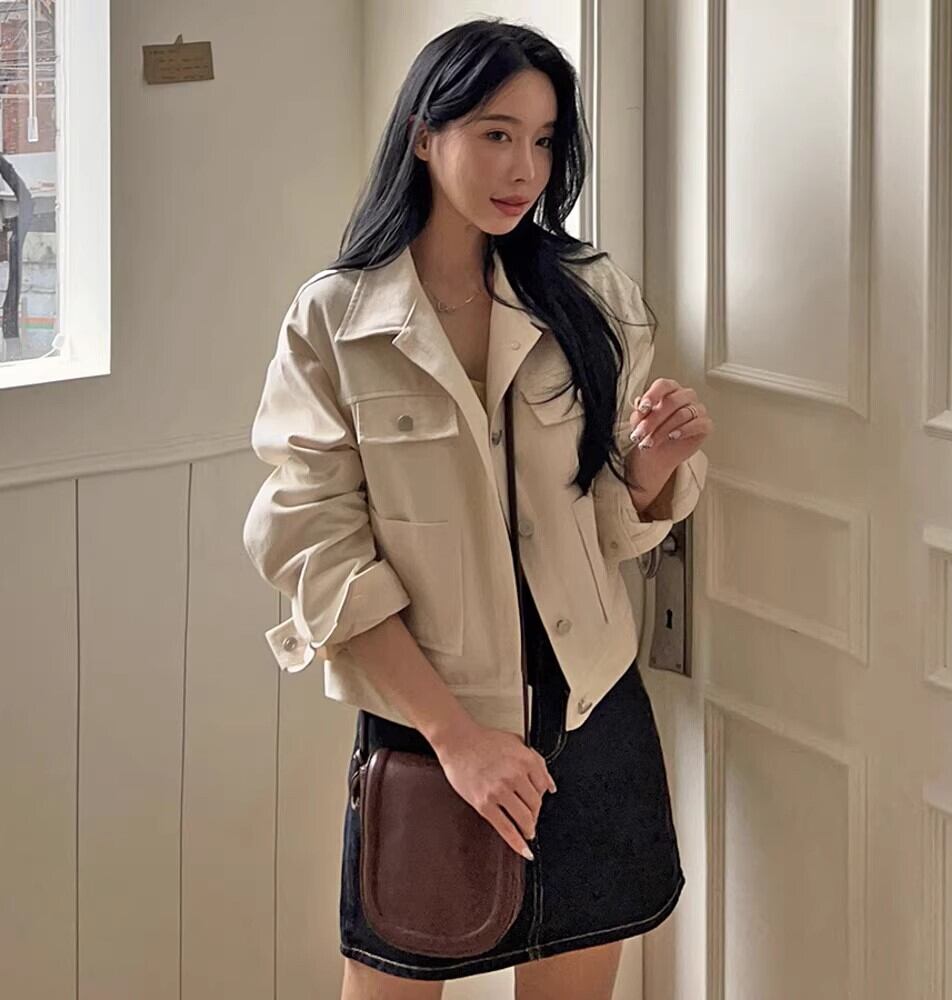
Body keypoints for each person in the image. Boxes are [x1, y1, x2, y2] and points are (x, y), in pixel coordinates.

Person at [242, 16, 712, 1000]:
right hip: (428, 731)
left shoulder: (591, 296)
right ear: (425, 134)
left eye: (543, 139)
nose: (523, 168)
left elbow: (610, 523)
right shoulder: (335, 320)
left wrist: (650, 468)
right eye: (496, 133)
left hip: (592, 717)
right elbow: (316, 553)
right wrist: (456, 737)